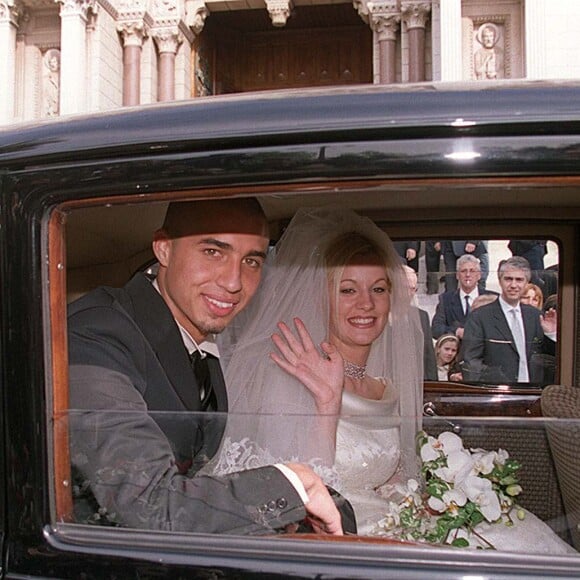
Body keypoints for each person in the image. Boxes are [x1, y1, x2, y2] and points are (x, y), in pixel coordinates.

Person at [212, 208, 575, 554]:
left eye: (379, 289)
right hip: (342, 536)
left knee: (515, 536)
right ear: (322, 296)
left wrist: (428, 501)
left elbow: (395, 477)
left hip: (396, 523)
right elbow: (298, 499)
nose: (366, 304)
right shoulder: (292, 376)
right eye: (348, 290)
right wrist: (327, 401)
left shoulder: (386, 386)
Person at [67, 198, 348, 536]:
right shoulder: (96, 334)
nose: (234, 281)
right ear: (164, 249)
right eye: (213, 252)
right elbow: (148, 504)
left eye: (251, 261)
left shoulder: (198, 343)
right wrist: (293, 483)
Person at [462, 256, 556, 385]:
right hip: (496, 393)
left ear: (526, 283)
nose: (513, 285)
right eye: (508, 279)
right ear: (500, 281)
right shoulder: (480, 316)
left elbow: (549, 359)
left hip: (533, 391)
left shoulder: (535, 315)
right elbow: (471, 362)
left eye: (519, 280)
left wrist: (550, 334)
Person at [431, 254, 497, 340]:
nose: (468, 274)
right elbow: (436, 329)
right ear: (457, 275)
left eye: (472, 271)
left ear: (479, 275)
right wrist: (456, 332)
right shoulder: (446, 299)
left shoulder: (492, 298)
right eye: (463, 271)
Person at [403, 265, 437, 380]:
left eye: (413, 289)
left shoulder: (422, 316)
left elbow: (429, 359)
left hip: (416, 385)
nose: (409, 293)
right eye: (405, 288)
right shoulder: (377, 316)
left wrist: (434, 389)